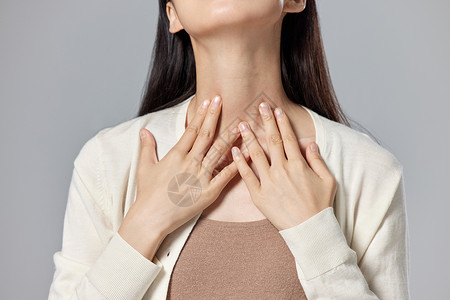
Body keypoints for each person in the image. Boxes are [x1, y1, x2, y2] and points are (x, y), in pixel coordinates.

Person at [48, 0, 410, 299]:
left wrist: (316, 235)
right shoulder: (107, 161)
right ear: (172, 13)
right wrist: (145, 224)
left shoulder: (369, 172)